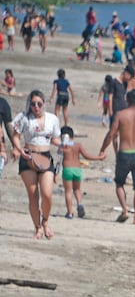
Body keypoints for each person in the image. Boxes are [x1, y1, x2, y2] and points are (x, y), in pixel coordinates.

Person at [98, 88, 135, 224]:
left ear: (126, 100)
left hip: (124, 153)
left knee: (119, 183)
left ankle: (125, 210)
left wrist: (103, 149)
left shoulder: (120, 115)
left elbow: (111, 134)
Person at [12, 90, 60, 239]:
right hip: (28, 157)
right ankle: (37, 228)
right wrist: (19, 149)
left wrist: (65, 145)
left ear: (44, 104)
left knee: (47, 194)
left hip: (45, 157)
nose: (36, 107)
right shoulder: (24, 117)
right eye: (33, 104)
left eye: (39, 104)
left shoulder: (52, 119)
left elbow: (55, 139)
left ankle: (45, 221)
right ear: (29, 104)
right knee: (33, 195)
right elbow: (15, 135)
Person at [58, 126, 102, 219]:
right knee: (77, 189)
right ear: (72, 136)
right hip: (77, 169)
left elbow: (59, 155)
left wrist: (63, 145)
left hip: (67, 169)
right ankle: (79, 204)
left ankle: (70, 213)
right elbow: (86, 156)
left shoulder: (63, 146)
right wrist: (99, 158)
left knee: (68, 191)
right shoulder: (78, 145)